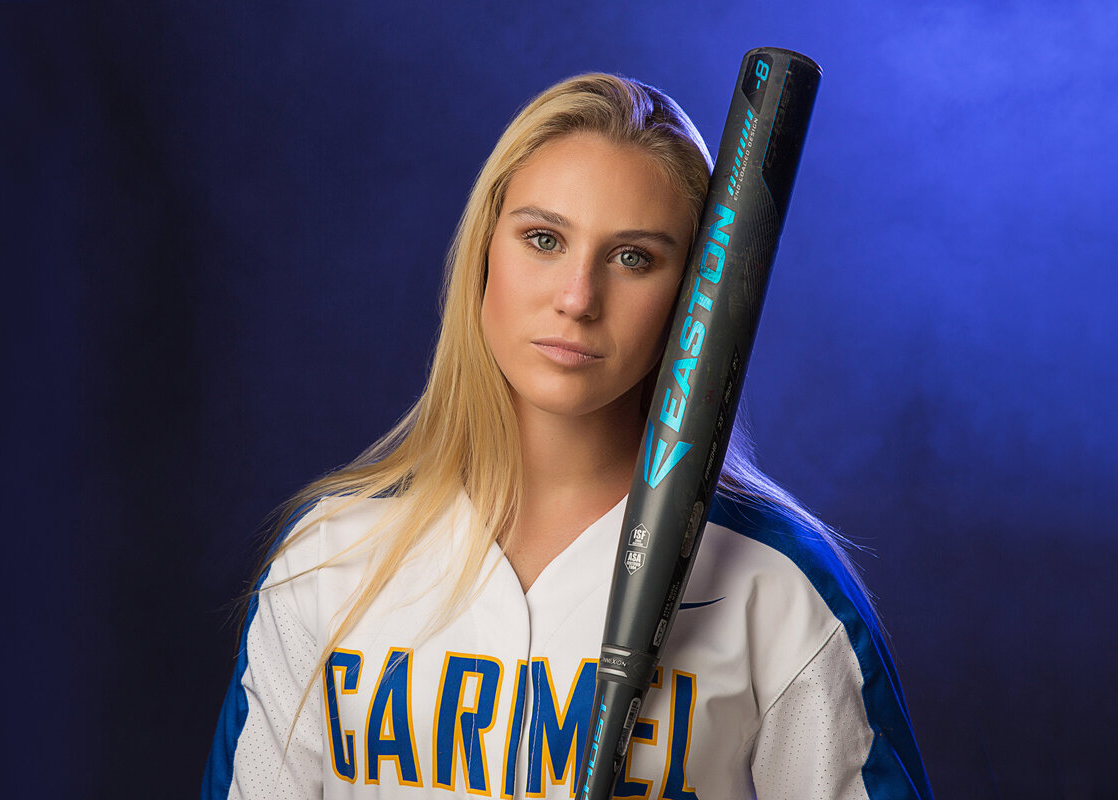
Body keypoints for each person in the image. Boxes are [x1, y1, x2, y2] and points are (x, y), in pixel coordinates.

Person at [202, 73, 934, 800]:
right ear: (486, 253)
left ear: (694, 301)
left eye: (633, 257)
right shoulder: (331, 558)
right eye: (544, 239)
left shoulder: (775, 586)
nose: (578, 298)